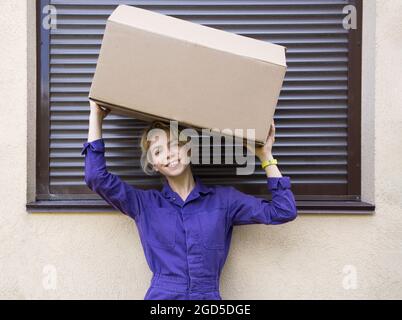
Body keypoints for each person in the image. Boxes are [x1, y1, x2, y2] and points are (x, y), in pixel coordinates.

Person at [81, 100, 298, 300]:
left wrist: (266, 157)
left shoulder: (224, 200)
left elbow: (283, 210)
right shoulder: (143, 204)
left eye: (174, 144)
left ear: (189, 149)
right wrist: (96, 115)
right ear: (154, 164)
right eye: (158, 151)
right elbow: (96, 177)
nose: (168, 154)